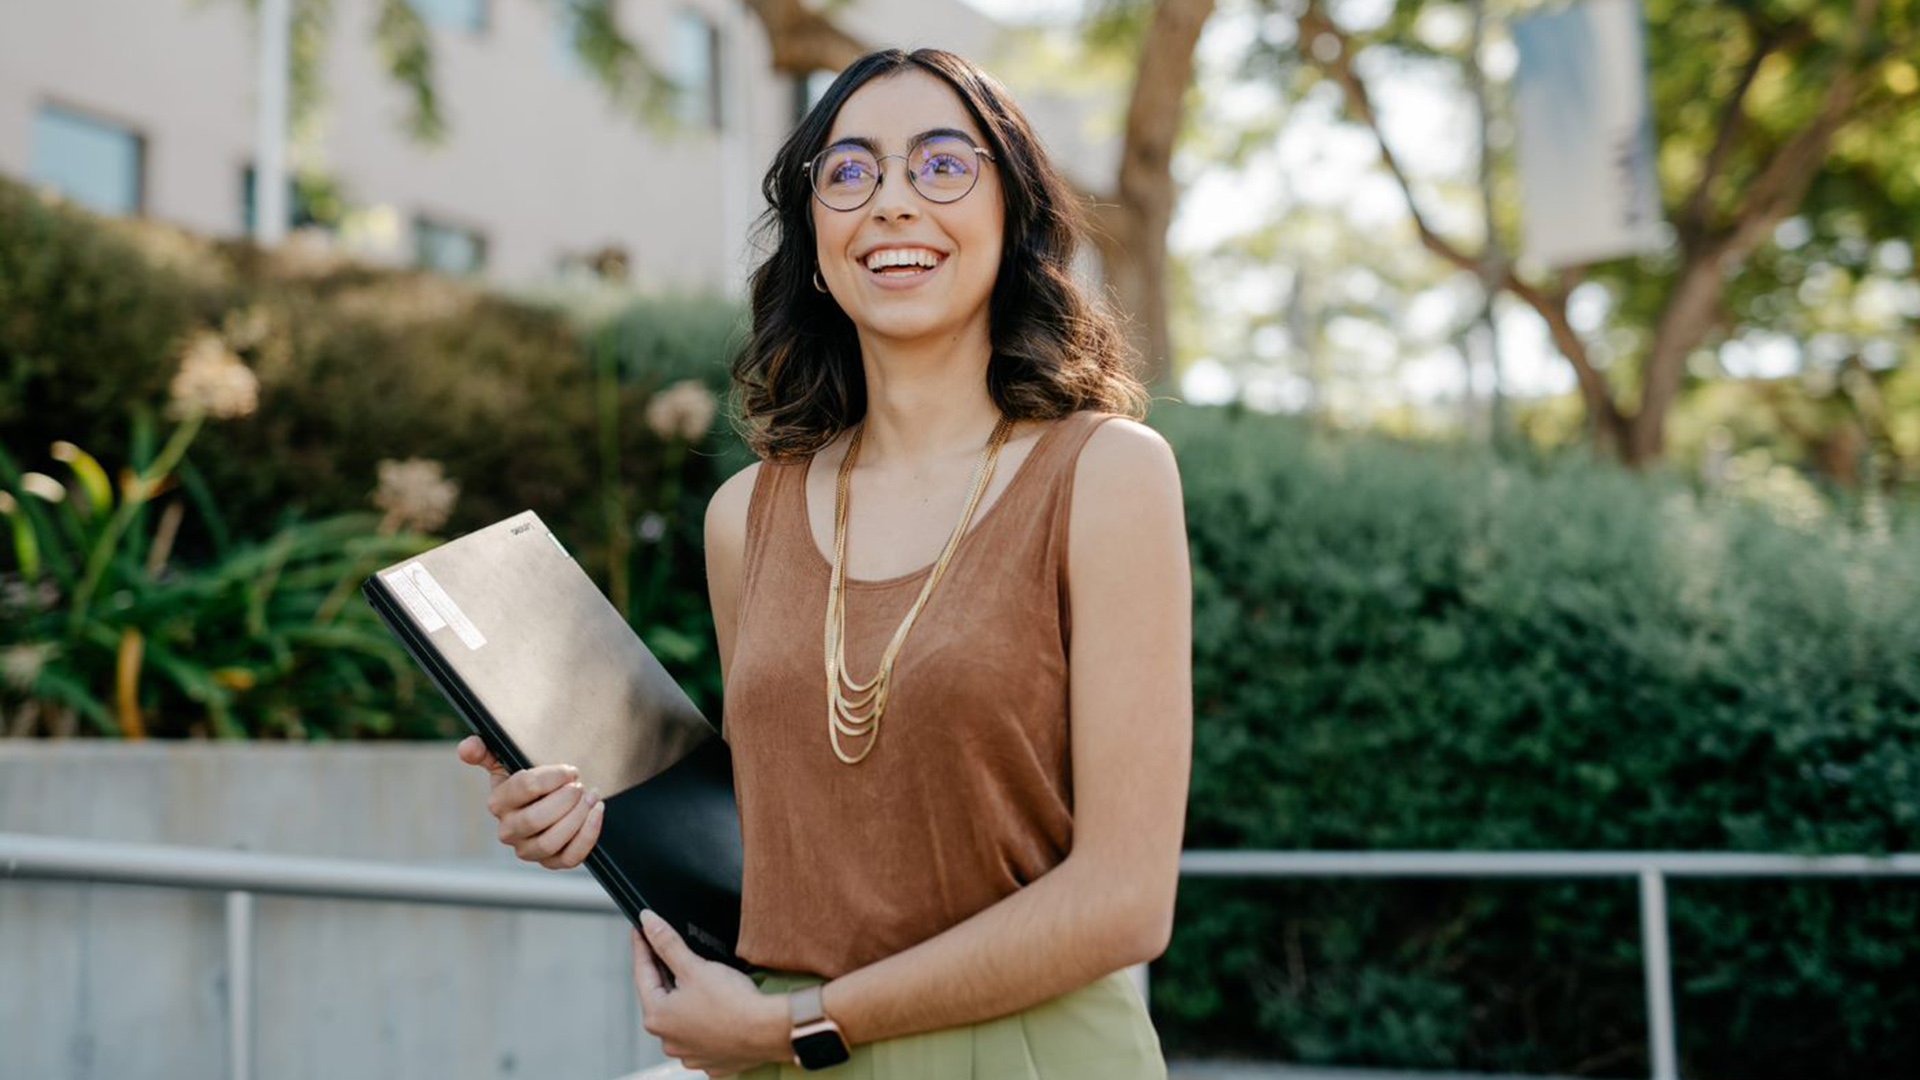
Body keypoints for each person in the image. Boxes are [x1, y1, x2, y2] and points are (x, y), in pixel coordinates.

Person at [457, 47, 1192, 1079]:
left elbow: (1125, 900)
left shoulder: (1108, 474)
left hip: (1021, 1052)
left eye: (943, 164)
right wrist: (589, 816)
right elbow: (780, 840)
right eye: (848, 172)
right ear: (813, 241)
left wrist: (800, 1024)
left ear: (1015, 219)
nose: (892, 200)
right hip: (782, 1055)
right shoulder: (743, 517)